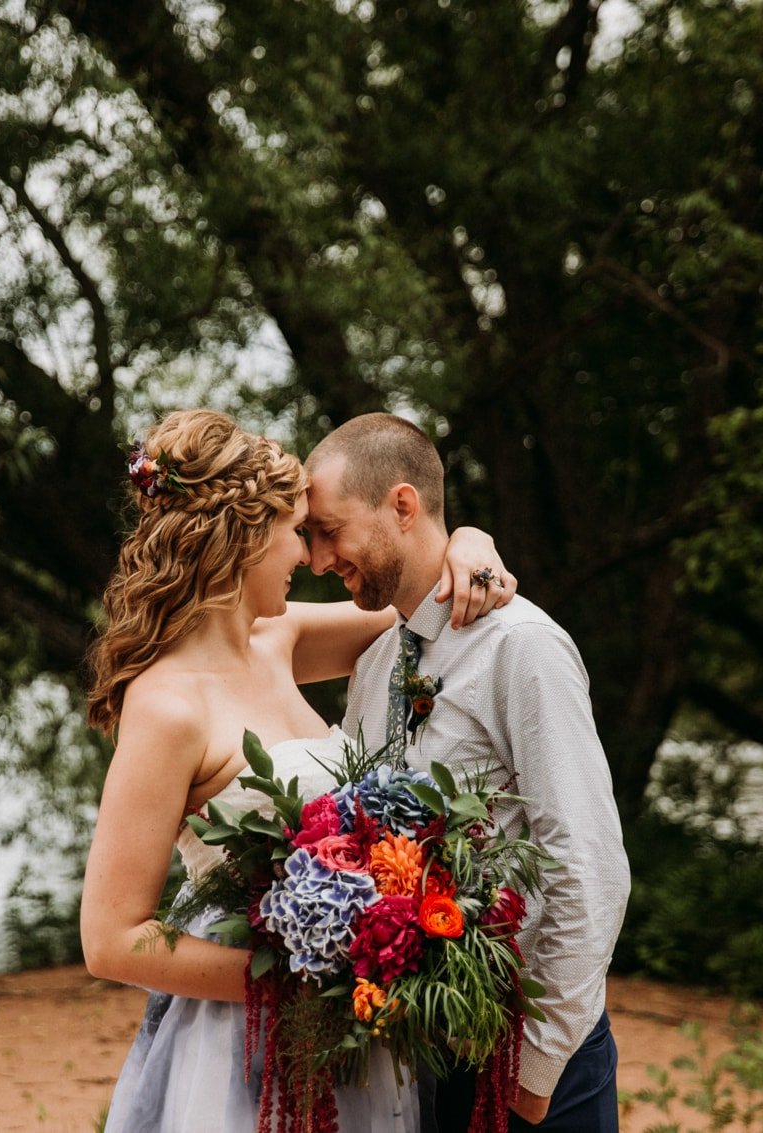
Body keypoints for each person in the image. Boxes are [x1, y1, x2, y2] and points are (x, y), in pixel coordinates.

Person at [80, 409, 517, 1132]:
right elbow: (111, 937)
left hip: (351, 1036)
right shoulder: (165, 704)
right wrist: (306, 979)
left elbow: (416, 595)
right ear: (246, 537)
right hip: (244, 1041)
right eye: (296, 530)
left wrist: (470, 540)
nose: (309, 555)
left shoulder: (278, 639)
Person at [303, 413, 631, 1132]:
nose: (320, 559)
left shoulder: (523, 647)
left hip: (528, 1051)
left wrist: (537, 1068)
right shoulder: (381, 661)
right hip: (420, 1049)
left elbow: (588, 862)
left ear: (402, 504)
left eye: (330, 530)